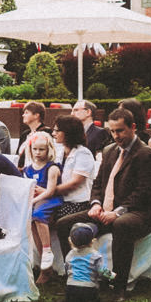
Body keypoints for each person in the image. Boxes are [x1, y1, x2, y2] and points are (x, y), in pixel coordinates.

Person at [52, 109, 151, 301]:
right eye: (112, 131)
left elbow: (144, 192)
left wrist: (117, 212)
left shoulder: (146, 154)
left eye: (120, 130)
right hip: (105, 209)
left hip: (138, 213)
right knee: (63, 224)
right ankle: (76, 277)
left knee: (121, 224)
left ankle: (118, 287)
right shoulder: (110, 151)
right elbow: (98, 183)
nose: (116, 136)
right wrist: (95, 204)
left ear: (133, 127)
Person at [42, 115, 95, 284]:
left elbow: (75, 182)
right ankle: (44, 266)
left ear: (68, 133)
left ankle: (68, 268)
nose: (54, 133)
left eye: (58, 130)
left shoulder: (83, 153)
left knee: (59, 222)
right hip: (59, 200)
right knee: (35, 217)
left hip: (77, 203)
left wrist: (48, 191)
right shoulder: (58, 151)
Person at [21, 131, 62, 275]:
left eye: (41, 149)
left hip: (50, 200)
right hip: (36, 200)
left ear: (48, 149)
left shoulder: (52, 168)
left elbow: (50, 191)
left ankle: (47, 249)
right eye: (35, 149)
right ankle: (44, 263)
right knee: (30, 218)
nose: (37, 152)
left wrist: (33, 200)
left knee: (38, 214)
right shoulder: (28, 169)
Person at [57, 223, 105, 302]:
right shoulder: (95, 255)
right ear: (92, 241)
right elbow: (101, 271)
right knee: (97, 300)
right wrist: (113, 276)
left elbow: (67, 269)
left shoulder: (69, 255)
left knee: (70, 301)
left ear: (71, 241)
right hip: (89, 288)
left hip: (71, 288)